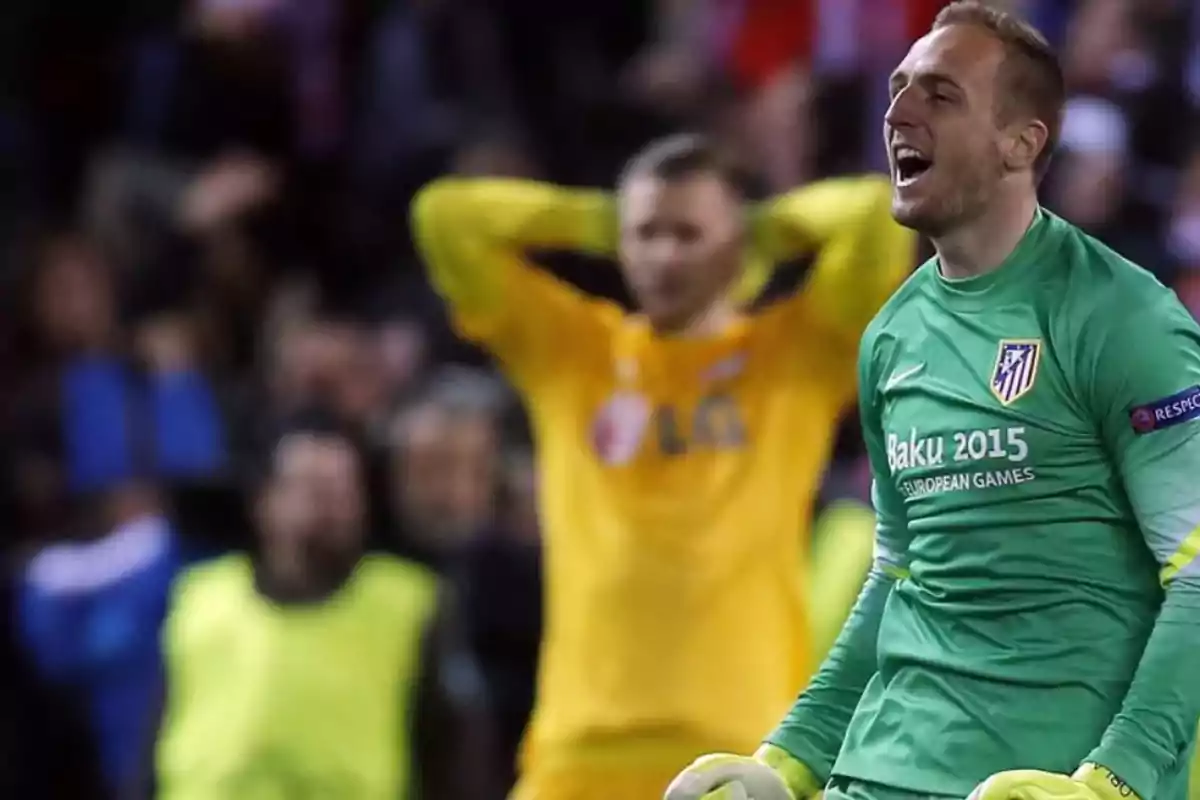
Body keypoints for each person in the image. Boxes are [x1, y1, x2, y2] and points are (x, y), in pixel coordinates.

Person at [665, 4, 1200, 800]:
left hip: (1042, 780)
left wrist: (1110, 784)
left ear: (1023, 142)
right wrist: (788, 761)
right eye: (897, 87)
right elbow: (901, 574)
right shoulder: (892, 335)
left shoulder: (1122, 317)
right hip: (875, 776)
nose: (897, 113)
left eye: (940, 95)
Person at [411, 137, 916, 799]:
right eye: (646, 234)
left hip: (741, 742)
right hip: (578, 748)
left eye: (689, 233)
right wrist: (597, 220)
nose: (666, 255)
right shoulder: (574, 352)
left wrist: (762, 231)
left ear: (735, 245)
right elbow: (447, 219)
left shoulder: (792, 356)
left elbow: (874, 215)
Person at [136, 411, 495, 800]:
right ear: (265, 502)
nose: (327, 508)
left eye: (341, 491)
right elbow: (155, 741)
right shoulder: (201, 596)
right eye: (310, 489)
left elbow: (455, 756)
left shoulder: (410, 603)